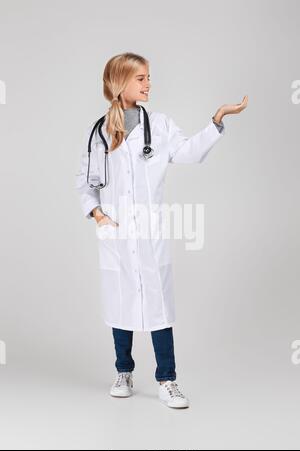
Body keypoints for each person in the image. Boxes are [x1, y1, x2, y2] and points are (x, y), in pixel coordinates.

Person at [76, 52, 248, 409]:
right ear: (119, 83)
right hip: (117, 235)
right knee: (120, 303)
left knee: (158, 307)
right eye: (141, 78)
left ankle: (167, 379)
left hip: (150, 235)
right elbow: (85, 181)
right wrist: (98, 215)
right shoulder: (100, 132)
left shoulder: (162, 125)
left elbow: (188, 152)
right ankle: (123, 370)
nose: (149, 84)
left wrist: (216, 120)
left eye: (148, 77)